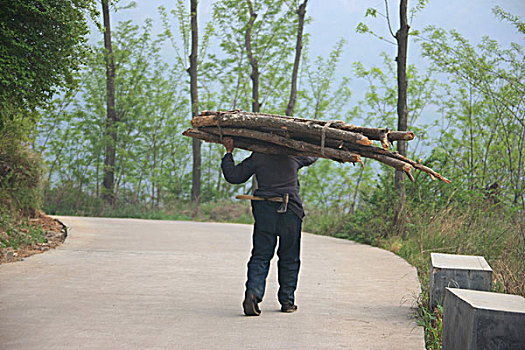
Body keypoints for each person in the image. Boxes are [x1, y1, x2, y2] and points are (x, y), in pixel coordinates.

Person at [220, 136, 317, 316]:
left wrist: (228, 153)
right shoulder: (293, 156)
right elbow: (313, 155)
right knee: (289, 256)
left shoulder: (259, 156)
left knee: (261, 255)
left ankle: (253, 294)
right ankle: (287, 302)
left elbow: (234, 176)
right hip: (290, 210)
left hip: (265, 210)